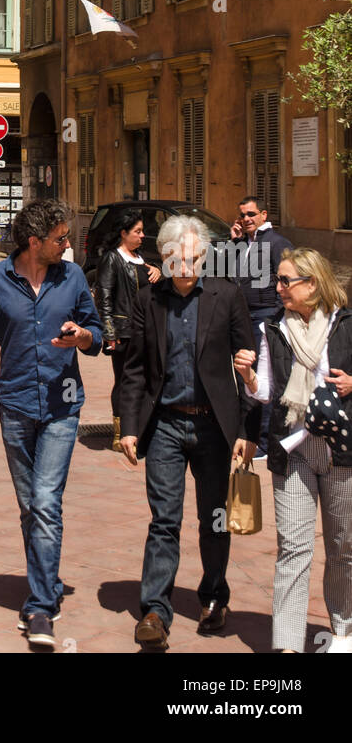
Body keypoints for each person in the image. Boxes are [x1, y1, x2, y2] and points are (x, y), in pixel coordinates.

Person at [0, 199, 102, 648]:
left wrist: (83, 336)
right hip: (15, 404)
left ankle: (40, 607)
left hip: (62, 405)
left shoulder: (72, 277)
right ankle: (46, 583)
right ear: (35, 242)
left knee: (47, 501)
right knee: (31, 506)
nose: (67, 244)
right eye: (60, 238)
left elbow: (97, 335)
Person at [119, 214, 260, 648]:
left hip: (214, 426)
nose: (187, 266)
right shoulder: (148, 299)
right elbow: (135, 368)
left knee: (214, 518)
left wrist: (246, 428)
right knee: (165, 520)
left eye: (195, 258)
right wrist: (129, 426)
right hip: (164, 424)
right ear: (164, 257)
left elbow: (249, 365)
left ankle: (214, 597)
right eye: (178, 259)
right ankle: (154, 611)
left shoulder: (227, 295)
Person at [234, 247, 352, 654]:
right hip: (293, 448)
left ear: (312, 284)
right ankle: (287, 643)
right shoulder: (274, 329)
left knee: (343, 547)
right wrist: (248, 376)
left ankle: (343, 632)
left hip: (340, 449)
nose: (278, 288)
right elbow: (267, 391)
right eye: (277, 280)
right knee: (294, 548)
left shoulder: (345, 324)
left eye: (286, 280)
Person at [222, 196, 292, 457]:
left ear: (263, 215)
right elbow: (226, 272)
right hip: (241, 317)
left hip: (264, 317)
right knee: (244, 374)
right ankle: (246, 434)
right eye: (242, 215)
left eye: (251, 214)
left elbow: (287, 280)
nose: (246, 219)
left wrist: (276, 316)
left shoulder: (277, 243)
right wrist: (234, 242)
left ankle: (262, 440)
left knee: (262, 377)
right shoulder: (243, 243)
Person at [96, 209, 161, 452]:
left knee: (146, 379)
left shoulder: (140, 257)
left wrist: (157, 271)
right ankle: (119, 432)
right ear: (123, 233)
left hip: (145, 329)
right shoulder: (112, 258)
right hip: (124, 331)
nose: (142, 236)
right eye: (137, 231)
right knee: (124, 381)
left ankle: (140, 428)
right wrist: (109, 333)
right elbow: (104, 298)